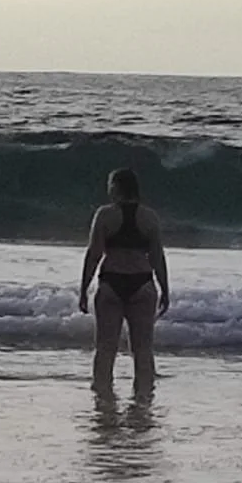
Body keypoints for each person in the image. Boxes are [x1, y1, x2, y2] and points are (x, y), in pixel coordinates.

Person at [78, 167, 170, 394]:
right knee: (143, 350)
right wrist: (165, 289)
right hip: (143, 285)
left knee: (105, 349)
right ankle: (143, 402)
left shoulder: (105, 214)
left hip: (111, 283)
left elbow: (94, 254)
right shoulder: (149, 217)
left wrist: (84, 288)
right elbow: (157, 256)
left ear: (116, 188)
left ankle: (102, 400)